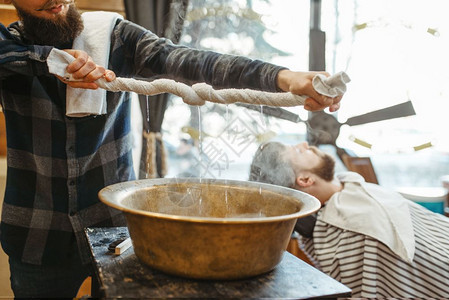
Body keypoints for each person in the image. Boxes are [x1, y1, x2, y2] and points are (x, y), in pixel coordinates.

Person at [0, 0, 343, 298]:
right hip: (36, 236)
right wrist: (52, 61)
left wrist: (282, 77)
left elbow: (188, 60)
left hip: (114, 233)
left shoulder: (112, 36)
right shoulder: (9, 46)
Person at [249, 141, 449, 298]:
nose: (305, 144)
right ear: (305, 180)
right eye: (298, 151)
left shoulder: (352, 187)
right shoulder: (352, 226)